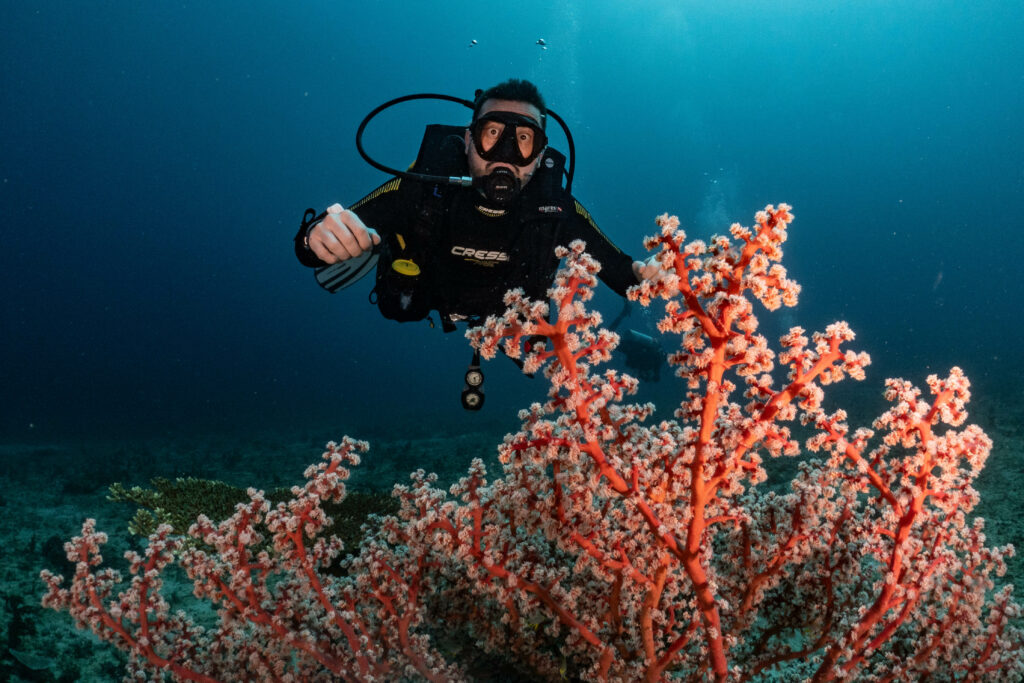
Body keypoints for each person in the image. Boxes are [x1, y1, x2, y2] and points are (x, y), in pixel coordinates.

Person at [294, 79, 658, 330]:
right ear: (468, 140)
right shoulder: (421, 189)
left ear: (540, 154)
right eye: (493, 134)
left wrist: (651, 274)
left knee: (530, 345)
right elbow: (313, 247)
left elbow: (627, 278)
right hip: (423, 300)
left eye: (524, 140)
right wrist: (317, 234)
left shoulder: (556, 209)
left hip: (511, 320)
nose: (505, 155)